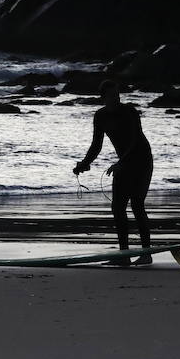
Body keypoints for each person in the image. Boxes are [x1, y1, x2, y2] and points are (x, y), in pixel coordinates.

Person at [73, 79, 154, 265]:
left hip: (142, 160)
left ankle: (146, 253)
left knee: (137, 205)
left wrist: (121, 163)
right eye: (111, 96)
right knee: (117, 208)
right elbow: (96, 145)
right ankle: (124, 256)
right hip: (123, 164)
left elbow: (135, 140)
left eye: (117, 94)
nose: (116, 98)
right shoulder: (100, 116)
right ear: (103, 98)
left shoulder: (130, 112)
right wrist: (84, 163)